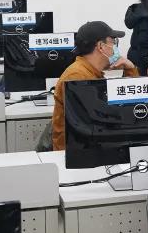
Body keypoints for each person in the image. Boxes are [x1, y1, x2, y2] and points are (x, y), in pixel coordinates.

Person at [52, 21, 140, 151]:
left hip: (90, 148)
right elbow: (104, 118)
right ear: (100, 46)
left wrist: (130, 69)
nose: (115, 47)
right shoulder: (77, 75)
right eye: (113, 42)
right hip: (77, 154)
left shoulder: (91, 73)